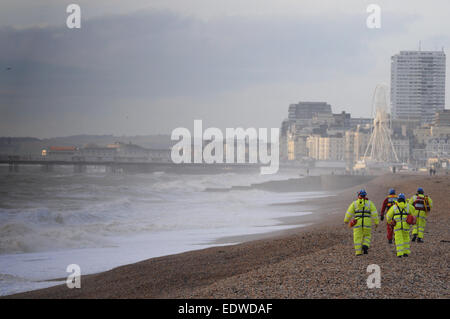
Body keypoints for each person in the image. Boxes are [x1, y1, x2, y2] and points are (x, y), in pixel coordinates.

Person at [344, 189, 379, 256]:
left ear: (358, 195)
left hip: (357, 222)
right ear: (365, 195)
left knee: (357, 237)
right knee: (367, 235)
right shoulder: (370, 203)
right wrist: (376, 222)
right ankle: (365, 245)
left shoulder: (354, 203)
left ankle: (358, 252)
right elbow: (374, 213)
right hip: (367, 222)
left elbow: (349, 213)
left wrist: (346, 220)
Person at [386, 193, 415, 257]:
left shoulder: (394, 207)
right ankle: (406, 252)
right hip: (406, 225)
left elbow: (388, 216)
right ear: (404, 199)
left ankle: (400, 254)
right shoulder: (408, 206)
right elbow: (413, 213)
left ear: (398, 199)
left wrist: (390, 222)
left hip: (397, 226)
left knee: (398, 239)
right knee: (406, 238)